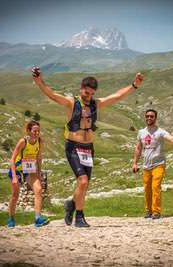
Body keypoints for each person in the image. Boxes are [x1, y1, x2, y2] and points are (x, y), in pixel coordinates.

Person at [32, 67, 144, 227]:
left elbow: (117, 96)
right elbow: (52, 94)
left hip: (88, 148)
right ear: (81, 89)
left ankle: (71, 204)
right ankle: (79, 217)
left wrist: (134, 85)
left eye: (91, 94)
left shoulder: (95, 104)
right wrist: (39, 82)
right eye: (86, 93)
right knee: (83, 181)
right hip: (73, 147)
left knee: (83, 185)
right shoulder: (72, 103)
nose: (88, 97)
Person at [132, 109, 173, 219]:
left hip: (159, 164)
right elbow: (138, 148)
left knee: (155, 187)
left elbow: (168, 136)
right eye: (147, 116)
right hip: (146, 165)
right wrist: (135, 163)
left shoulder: (160, 131)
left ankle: (156, 212)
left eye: (152, 116)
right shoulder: (141, 132)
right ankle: (148, 211)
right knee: (147, 189)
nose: (149, 118)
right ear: (145, 117)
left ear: (155, 118)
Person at [7, 120, 48, 227]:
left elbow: (39, 158)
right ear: (29, 131)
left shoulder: (40, 141)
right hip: (17, 169)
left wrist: (39, 174)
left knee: (38, 189)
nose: (37, 133)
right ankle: (11, 218)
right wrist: (15, 177)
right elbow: (12, 159)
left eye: (38, 131)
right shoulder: (23, 141)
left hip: (29, 169)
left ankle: (38, 218)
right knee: (15, 195)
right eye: (35, 131)